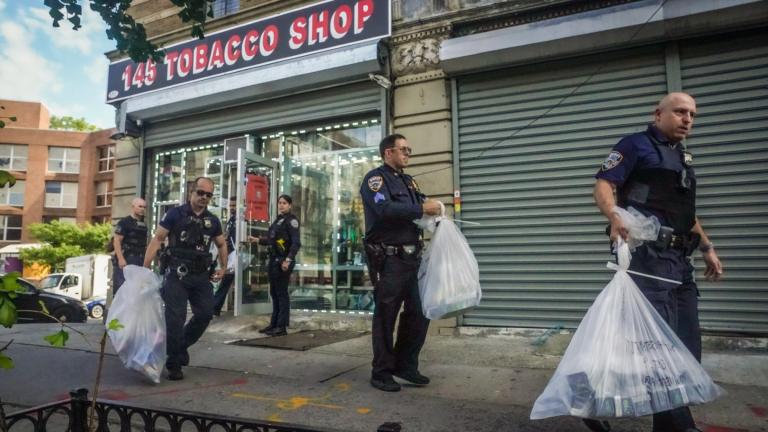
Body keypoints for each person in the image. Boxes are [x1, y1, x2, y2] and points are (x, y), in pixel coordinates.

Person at [593, 92, 723, 432]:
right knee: (662, 346)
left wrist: (707, 247)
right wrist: (614, 215)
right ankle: (678, 426)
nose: (687, 120)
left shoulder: (681, 158)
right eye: (680, 112)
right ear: (658, 113)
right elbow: (604, 184)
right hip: (648, 258)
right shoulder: (635, 145)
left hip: (680, 260)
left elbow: (686, 213)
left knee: (687, 344)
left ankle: (592, 396)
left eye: (692, 114)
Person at [359, 133, 442, 392]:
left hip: (412, 259)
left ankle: (405, 365)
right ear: (388, 153)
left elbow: (422, 205)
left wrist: (435, 212)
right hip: (389, 259)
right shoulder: (375, 179)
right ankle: (381, 371)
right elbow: (385, 210)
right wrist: (421, 210)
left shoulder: (409, 182)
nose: (408, 154)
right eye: (403, 149)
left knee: (420, 311)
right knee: (386, 315)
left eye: (409, 150)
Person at [143, 177, 228, 381]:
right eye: (200, 193)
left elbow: (222, 244)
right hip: (177, 274)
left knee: (206, 314)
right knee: (175, 318)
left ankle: (180, 347)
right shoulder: (175, 214)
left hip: (200, 275)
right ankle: (174, 364)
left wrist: (224, 267)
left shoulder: (213, 220)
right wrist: (145, 268)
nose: (204, 198)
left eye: (208, 195)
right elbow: (158, 239)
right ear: (192, 191)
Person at [250, 194, 301, 337]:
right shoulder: (279, 220)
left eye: (284, 203)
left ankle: (282, 326)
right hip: (274, 260)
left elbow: (296, 243)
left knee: (281, 293)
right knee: (274, 293)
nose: (281, 205)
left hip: (283, 261)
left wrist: (288, 260)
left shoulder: (291, 221)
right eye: (279, 203)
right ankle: (274, 323)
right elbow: (273, 240)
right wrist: (258, 240)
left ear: (290, 205)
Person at [112, 197, 148, 293]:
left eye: (144, 207)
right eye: (140, 206)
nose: (142, 209)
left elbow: (144, 245)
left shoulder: (143, 225)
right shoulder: (124, 222)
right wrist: (120, 259)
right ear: (133, 207)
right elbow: (116, 241)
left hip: (139, 260)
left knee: (135, 292)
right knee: (122, 291)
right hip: (126, 258)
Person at [213, 196, 237, 316]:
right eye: (231, 205)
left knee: (227, 279)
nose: (232, 208)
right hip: (231, 253)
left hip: (237, 254)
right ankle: (215, 306)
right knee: (227, 279)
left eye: (234, 205)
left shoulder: (241, 220)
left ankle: (215, 306)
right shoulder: (231, 220)